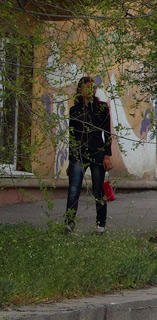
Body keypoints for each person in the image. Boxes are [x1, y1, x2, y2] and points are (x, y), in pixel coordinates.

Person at [65, 76, 113, 234]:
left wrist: (107, 156)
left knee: (98, 190)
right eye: (87, 87)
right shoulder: (75, 110)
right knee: (74, 189)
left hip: (97, 153)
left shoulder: (101, 108)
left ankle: (101, 225)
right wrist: (71, 159)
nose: (90, 91)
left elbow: (107, 133)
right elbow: (72, 136)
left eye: (92, 88)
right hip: (78, 154)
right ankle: (69, 223)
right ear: (80, 89)